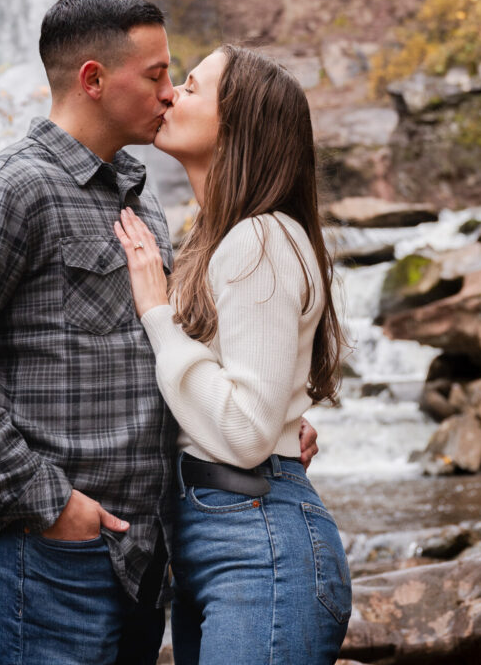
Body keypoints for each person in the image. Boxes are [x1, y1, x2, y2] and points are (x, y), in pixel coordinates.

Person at [0, 0, 317, 665]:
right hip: (49, 558)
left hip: (143, 561)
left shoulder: (140, 200)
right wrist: (50, 504)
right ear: (93, 79)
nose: (169, 93)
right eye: (155, 76)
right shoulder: (5, 190)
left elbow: (163, 357)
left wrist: (265, 420)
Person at [114, 44, 352, 665]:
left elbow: (244, 434)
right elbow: (251, 405)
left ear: (238, 122)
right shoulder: (219, 240)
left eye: (190, 88)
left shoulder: (257, 239)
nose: (169, 95)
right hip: (225, 535)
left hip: (257, 541)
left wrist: (157, 316)